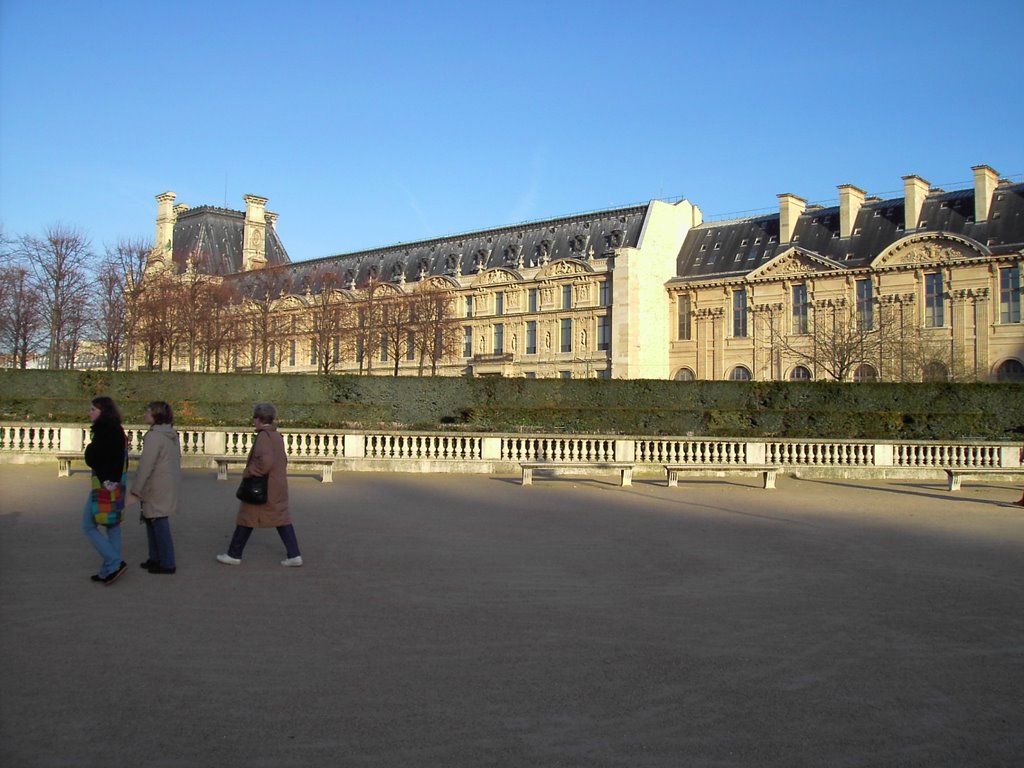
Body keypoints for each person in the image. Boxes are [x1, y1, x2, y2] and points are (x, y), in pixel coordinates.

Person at [216, 402, 303, 567]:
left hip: (263, 487)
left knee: (246, 519)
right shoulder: (276, 436)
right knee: (282, 519)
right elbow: (282, 460)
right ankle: (294, 554)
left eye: (254, 417)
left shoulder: (263, 436)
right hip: (277, 485)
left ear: (259, 419)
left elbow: (265, 462)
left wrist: (250, 471)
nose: (253, 421)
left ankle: (234, 554)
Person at [128, 401, 180, 574]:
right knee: (154, 520)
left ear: (155, 415)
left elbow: (145, 466)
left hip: (155, 485)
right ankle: (156, 558)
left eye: (148, 411)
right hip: (166, 483)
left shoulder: (154, 437)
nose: (145, 413)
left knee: (158, 522)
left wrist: (136, 489)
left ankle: (167, 562)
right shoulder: (170, 434)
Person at [83, 396, 129, 585]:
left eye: (93, 409)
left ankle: (114, 562)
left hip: (103, 484)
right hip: (114, 483)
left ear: (103, 411)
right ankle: (108, 569)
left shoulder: (104, 431)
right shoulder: (116, 430)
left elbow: (94, 458)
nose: (89, 412)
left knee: (88, 526)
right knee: (113, 526)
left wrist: (89, 449)